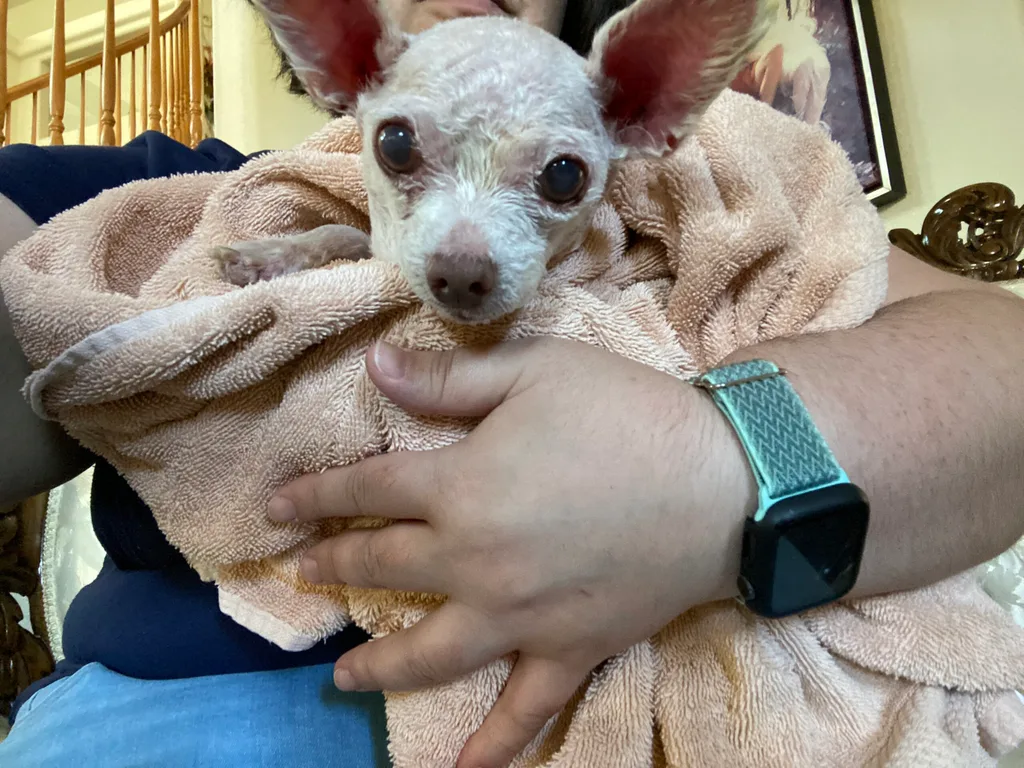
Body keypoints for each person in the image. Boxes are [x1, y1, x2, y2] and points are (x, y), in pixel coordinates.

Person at [1, 0, 1022, 766]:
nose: (465, 254)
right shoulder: (198, 191)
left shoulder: (703, 195)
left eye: (556, 177)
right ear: (342, 60)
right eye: (404, 150)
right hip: (188, 693)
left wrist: (710, 469)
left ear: (643, 108)